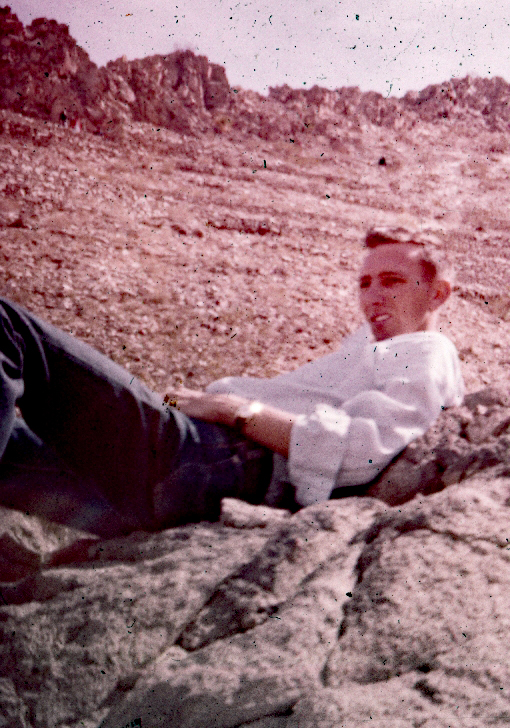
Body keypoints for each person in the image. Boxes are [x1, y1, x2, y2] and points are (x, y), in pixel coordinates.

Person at [0, 225, 465, 537]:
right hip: (184, 483)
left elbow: (360, 450)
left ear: (438, 294)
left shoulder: (428, 351)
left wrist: (233, 411)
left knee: (9, 328)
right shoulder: (368, 348)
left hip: (210, 464)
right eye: (364, 284)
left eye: (391, 281)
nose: (373, 296)